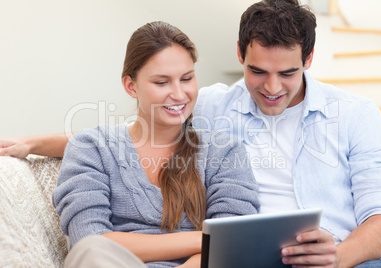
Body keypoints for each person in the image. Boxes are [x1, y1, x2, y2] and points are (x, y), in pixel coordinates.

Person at [1, 0, 381, 267]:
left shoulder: (354, 115)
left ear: (308, 60)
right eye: (258, 71)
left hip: (340, 256)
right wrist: (35, 144)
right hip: (251, 256)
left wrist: (340, 256)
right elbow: (136, 134)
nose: (272, 88)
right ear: (241, 55)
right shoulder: (213, 105)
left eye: (288, 73)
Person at [52, 21, 260, 267]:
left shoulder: (225, 151)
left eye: (186, 79)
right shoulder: (91, 147)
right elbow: (89, 241)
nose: (179, 94)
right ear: (131, 86)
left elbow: (233, 245)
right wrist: (204, 238)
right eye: (162, 83)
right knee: (92, 250)